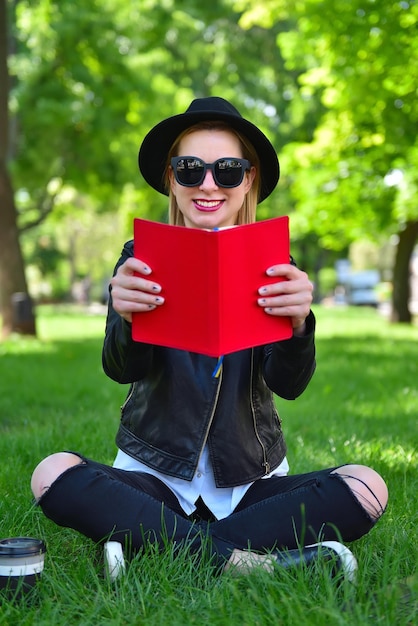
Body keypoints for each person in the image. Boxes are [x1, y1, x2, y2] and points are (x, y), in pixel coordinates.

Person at [31, 97, 388, 576]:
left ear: (250, 179)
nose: (207, 184)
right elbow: (121, 369)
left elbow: (290, 384)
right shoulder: (139, 259)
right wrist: (126, 317)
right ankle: (252, 564)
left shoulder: (278, 268)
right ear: (170, 179)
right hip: (154, 480)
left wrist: (301, 325)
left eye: (227, 170)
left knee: (368, 485)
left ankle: (154, 543)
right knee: (51, 472)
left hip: (250, 487)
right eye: (189, 169)